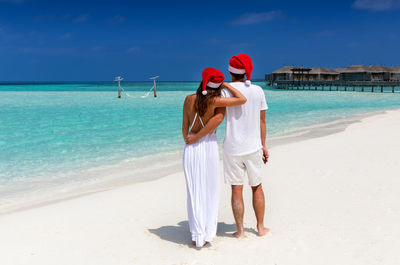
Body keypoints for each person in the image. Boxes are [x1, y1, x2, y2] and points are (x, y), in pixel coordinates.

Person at [186, 54, 270, 238]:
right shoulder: (258, 91)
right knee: (257, 187)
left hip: (232, 147)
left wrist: (196, 136)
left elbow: (217, 117)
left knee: (236, 188)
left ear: (230, 71)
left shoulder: (224, 92)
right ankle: (261, 228)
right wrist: (263, 145)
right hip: (254, 146)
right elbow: (262, 122)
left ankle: (240, 231)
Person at [182, 67, 246, 248]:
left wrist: (191, 140)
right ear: (216, 85)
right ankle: (208, 234)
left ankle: (196, 235)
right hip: (208, 146)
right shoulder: (216, 101)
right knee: (209, 190)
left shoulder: (188, 99)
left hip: (190, 148)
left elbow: (184, 128)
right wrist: (226, 84)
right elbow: (242, 99)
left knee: (194, 191)